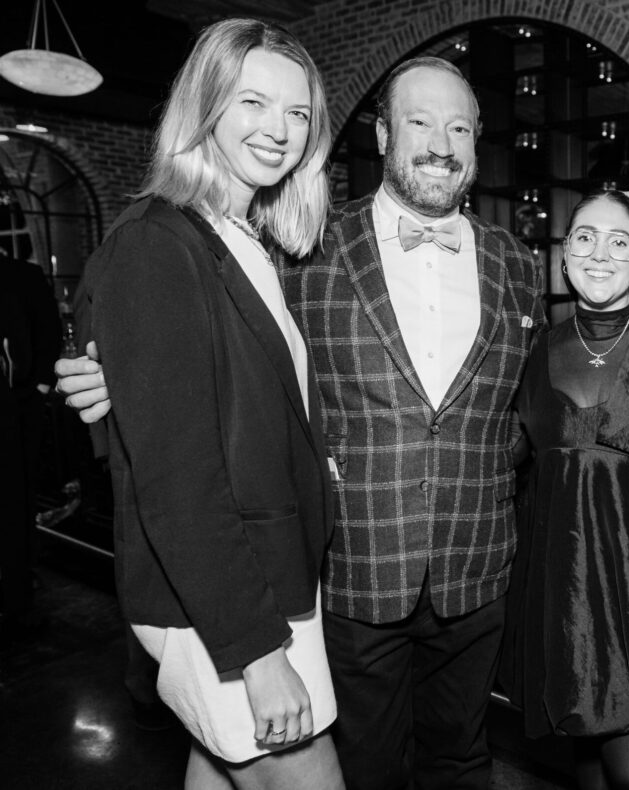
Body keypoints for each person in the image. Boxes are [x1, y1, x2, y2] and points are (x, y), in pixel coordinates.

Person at [58, 55, 546, 790]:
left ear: (479, 141)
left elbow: (521, 406)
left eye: (459, 127)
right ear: (383, 134)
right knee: (360, 766)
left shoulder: (517, 262)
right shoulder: (304, 244)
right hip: (346, 569)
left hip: (477, 565)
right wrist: (102, 368)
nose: (440, 143)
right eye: (419, 121)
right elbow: (194, 343)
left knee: (461, 760)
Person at [68, 18, 343, 790]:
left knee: (219, 771)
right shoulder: (159, 242)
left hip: (255, 584)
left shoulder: (238, 237)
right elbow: (179, 477)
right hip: (228, 606)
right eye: (254, 102)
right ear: (206, 106)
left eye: (298, 114)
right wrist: (257, 655)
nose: (280, 130)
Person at [502, 190, 629, 789]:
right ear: (564, 256)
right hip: (567, 589)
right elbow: (507, 455)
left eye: (619, 241)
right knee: (585, 759)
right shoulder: (534, 350)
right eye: (585, 237)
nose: (600, 253)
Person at [0, 252, 61, 639]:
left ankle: (18, 598)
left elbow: (48, 328)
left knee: (15, 505)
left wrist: (37, 386)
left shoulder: (22, 274)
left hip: (15, 408)